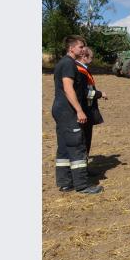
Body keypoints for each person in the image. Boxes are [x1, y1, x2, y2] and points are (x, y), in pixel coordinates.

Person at [51, 35, 103, 194]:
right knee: (77, 146)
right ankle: (82, 185)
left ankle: (65, 183)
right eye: (80, 47)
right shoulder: (68, 64)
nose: (83, 50)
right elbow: (68, 88)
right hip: (69, 111)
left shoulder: (63, 63)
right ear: (71, 48)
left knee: (64, 148)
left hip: (60, 110)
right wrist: (79, 110)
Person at [75, 48, 107, 159]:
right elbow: (83, 92)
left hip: (85, 109)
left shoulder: (82, 69)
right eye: (91, 57)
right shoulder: (80, 71)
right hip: (84, 109)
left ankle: (84, 167)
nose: (92, 60)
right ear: (84, 57)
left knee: (85, 140)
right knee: (84, 140)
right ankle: (83, 170)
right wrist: (100, 94)